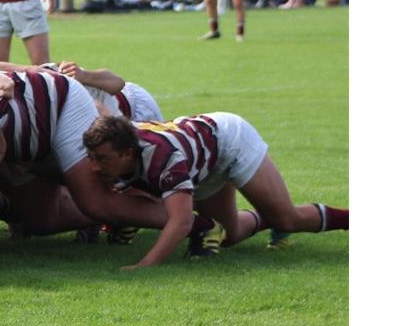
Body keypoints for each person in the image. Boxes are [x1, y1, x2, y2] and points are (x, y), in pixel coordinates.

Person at [82, 113, 348, 268]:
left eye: (102, 159)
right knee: (230, 236)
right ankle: (268, 217)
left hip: (230, 142)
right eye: (91, 157)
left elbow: (181, 220)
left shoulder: (163, 159)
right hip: (202, 160)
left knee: (289, 218)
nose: (93, 166)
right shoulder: (119, 143)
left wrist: (144, 266)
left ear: (127, 153)